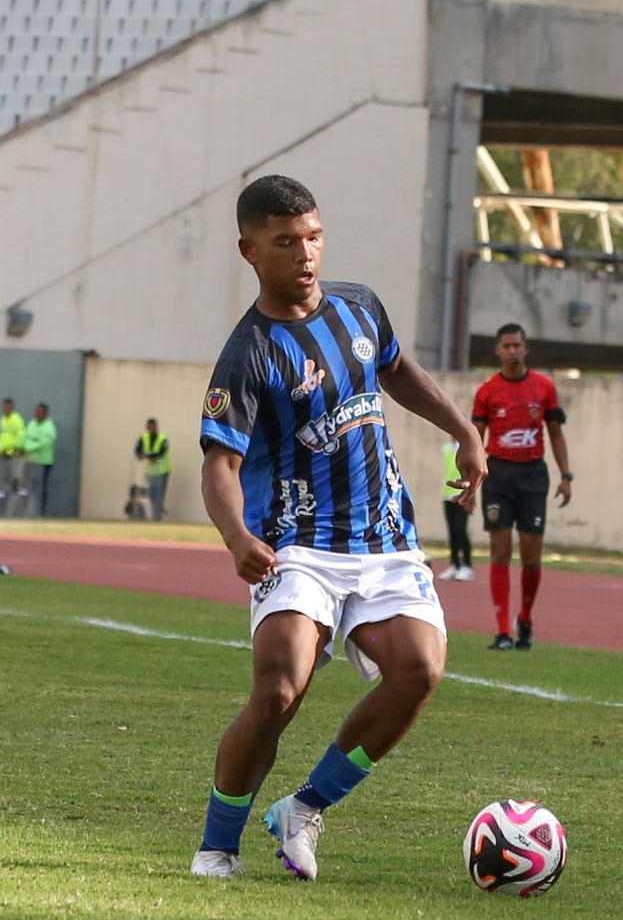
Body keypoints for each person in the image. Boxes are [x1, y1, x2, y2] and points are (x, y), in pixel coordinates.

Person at [190, 175, 484, 881]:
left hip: (383, 538)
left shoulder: (359, 307)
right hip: (295, 546)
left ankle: (304, 806)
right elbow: (219, 462)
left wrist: (463, 430)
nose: (306, 253)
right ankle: (216, 845)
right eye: (287, 242)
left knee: (420, 669)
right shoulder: (249, 353)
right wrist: (237, 538)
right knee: (281, 688)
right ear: (250, 250)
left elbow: (398, 372)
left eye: (314, 236)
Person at [472, 323, 571, 652]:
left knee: (532, 558)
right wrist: (473, 479)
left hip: (532, 476)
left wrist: (566, 475)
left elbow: (555, 432)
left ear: (526, 349)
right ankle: (503, 631)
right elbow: (475, 439)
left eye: (517, 345)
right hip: (498, 475)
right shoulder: (487, 392)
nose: (512, 351)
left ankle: (525, 618)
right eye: (506, 346)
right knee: (500, 551)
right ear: (498, 351)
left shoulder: (543, 388)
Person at [436, 439, 475, 582]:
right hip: (447, 495)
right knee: (452, 532)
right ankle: (454, 564)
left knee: (461, 530)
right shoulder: (446, 448)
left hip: (462, 495)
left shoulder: (467, 449)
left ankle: (467, 565)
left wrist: (471, 497)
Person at [19, 402, 57, 517]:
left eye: (41, 413)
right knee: (28, 486)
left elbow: (42, 444)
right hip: (30, 461)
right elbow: (24, 438)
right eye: (37, 412)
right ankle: (28, 510)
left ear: (46, 414)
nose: (38, 414)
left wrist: (27, 449)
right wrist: (20, 447)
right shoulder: (32, 424)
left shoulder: (49, 427)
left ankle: (40, 511)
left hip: (43, 462)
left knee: (40, 488)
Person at [0, 397, 27, 516]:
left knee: (15, 482)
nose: (6, 409)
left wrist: (14, 450)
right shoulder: (2, 419)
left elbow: (21, 438)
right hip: (3, 455)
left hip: (14, 456)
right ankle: (1, 511)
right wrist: (2, 450)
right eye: (4, 407)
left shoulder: (17, 420)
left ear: (13, 407)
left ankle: (14, 512)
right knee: (1, 483)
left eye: (8, 407)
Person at [135, 417, 171, 521]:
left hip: (162, 471)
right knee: (151, 495)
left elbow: (161, 452)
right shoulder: (144, 437)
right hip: (150, 471)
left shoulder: (162, 438)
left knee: (158, 496)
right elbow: (138, 450)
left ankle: (156, 517)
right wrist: (142, 455)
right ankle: (154, 516)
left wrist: (148, 456)